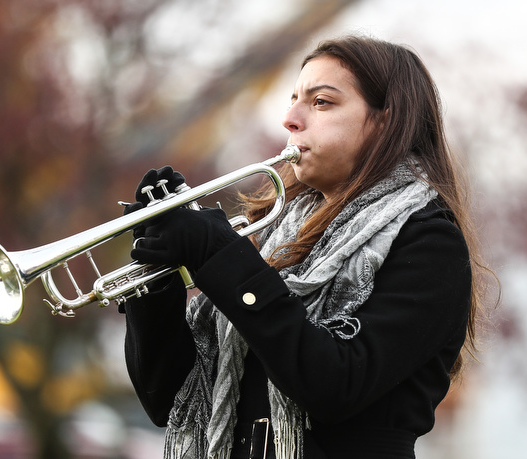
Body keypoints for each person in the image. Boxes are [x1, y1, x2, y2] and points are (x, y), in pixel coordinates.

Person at [119, 35, 488, 459]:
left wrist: (219, 254)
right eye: (294, 99)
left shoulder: (429, 241)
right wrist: (155, 280)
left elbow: (333, 383)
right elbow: (167, 399)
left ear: (386, 121)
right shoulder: (275, 237)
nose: (290, 119)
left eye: (321, 102)